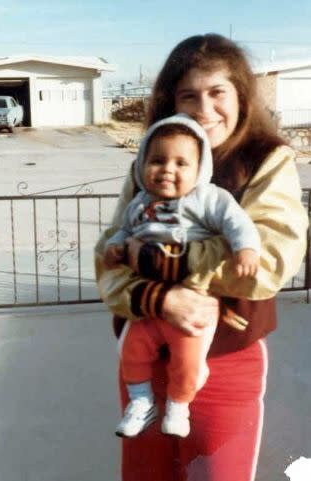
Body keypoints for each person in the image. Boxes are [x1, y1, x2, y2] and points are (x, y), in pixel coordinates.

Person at [94, 33, 308, 481]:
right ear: (171, 102)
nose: (204, 109)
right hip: (144, 365)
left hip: (225, 362)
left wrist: (154, 260)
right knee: (145, 476)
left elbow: (266, 264)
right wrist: (158, 299)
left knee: (216, 475)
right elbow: (108, 260)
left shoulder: (265, 161)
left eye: (217, 93)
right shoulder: (154, 162)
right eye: (188, 95)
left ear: (242, 97)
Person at [104, 113, 260, 439]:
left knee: (188, 361)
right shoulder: (140, 203)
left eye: (181, 163)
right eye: (157, 160)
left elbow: (237, 223)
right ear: (143, 164)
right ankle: (141, 401)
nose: (167, 170)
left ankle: (178, 405)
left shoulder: (208, 198)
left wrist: (245, 248)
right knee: (130, 350)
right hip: (150, 300)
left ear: (200, 169)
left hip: (193, 300)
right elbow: (125, 231)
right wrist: (117, 247)